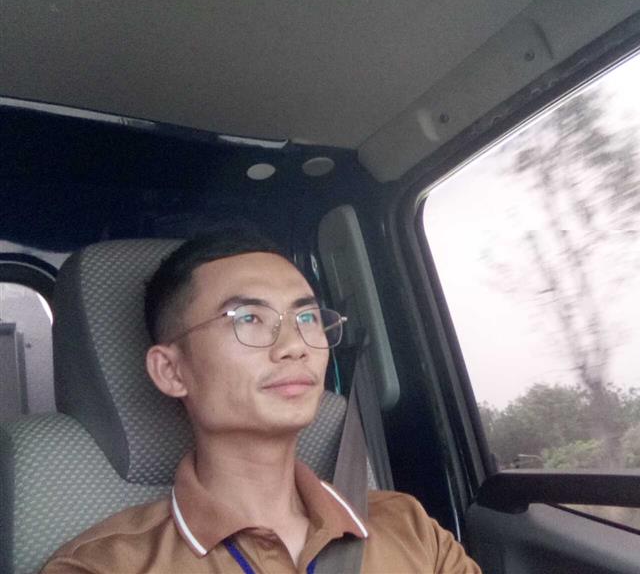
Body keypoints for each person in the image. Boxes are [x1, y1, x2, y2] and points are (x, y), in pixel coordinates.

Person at [43, 232, 481, 573]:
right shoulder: (104, 566)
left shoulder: (409, 528)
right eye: (249, 318)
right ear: (171, 371)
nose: (295, 346)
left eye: (307, 317)